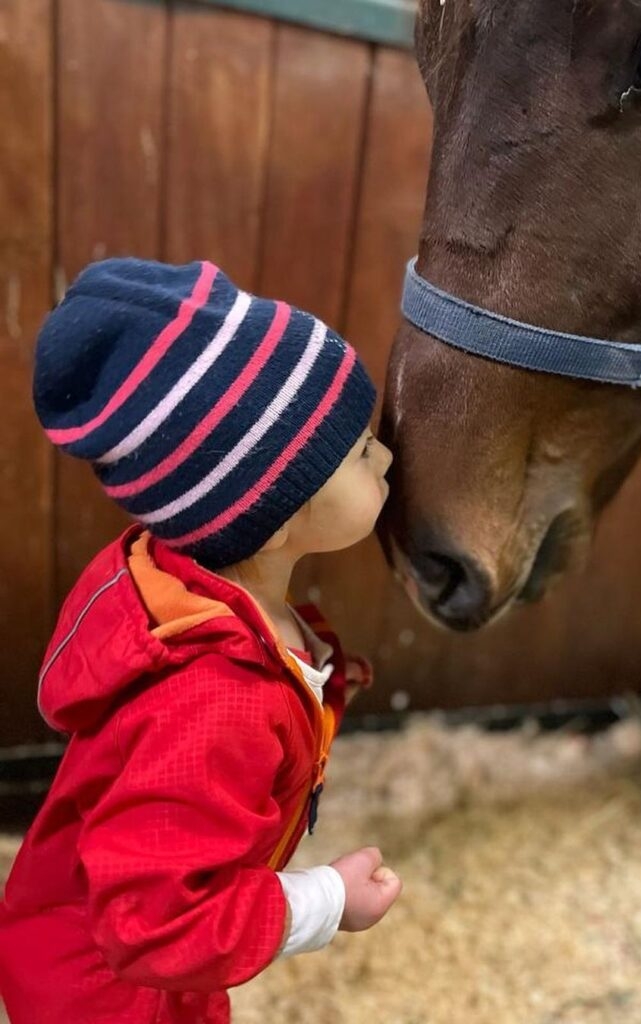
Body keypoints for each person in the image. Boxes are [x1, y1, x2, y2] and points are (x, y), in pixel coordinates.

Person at [0, 259, 401, 1023]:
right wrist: (328, 900)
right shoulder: (216, 698)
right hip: (111, 996)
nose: (385, 456)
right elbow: (157, 926)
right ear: (274, 516)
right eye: (358, 453)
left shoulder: (189, 591)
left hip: (112, 955)